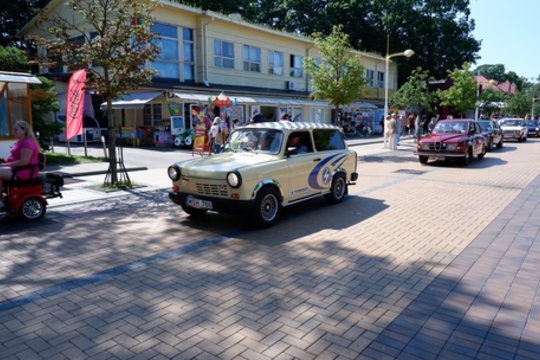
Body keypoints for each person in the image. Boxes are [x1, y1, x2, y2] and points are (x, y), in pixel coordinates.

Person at [0, 120, 41, 209]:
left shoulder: (27, 142)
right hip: (16, 168)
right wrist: (4, 163)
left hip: (23, 171)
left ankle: (0, 201)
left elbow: (23, 162)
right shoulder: (20, 141)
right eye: (14, 130)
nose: (14, 131)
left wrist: (4, 165)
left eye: (16, 130)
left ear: (24, 130)